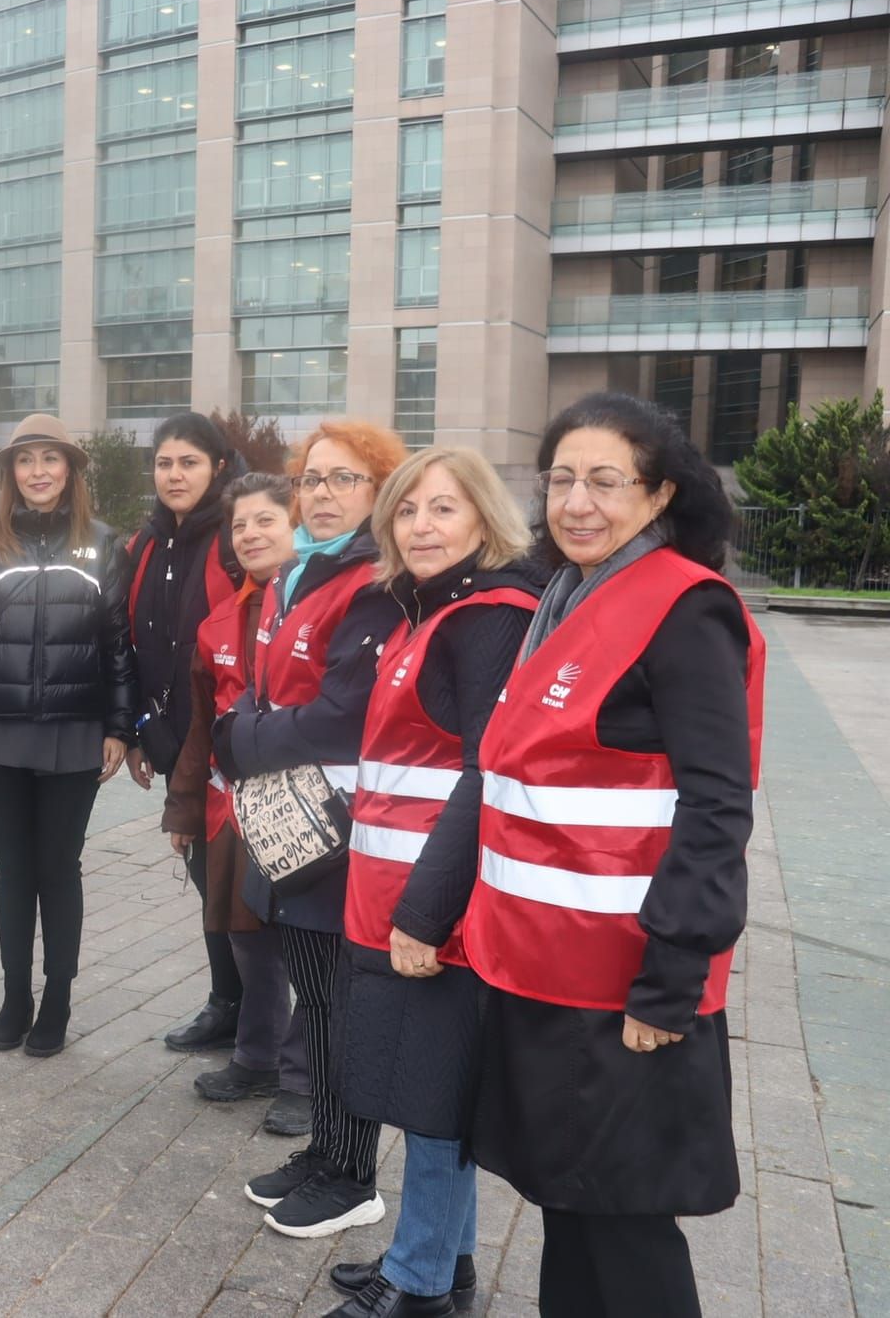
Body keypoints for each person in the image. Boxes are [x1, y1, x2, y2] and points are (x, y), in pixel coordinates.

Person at [464, 393, 763, 1318]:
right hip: (543, 968)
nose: (577, 502)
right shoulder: (562, 595)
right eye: (561, 479)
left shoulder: (682, 609)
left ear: (659, 492)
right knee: (568, 1204)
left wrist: (671, 977)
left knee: (627, 1224)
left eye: (606, 481)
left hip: (629, 982)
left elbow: (718, 805)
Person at [321, 449, 541, 1318]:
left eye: (443, 509)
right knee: (429, 1091)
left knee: (434, 1095)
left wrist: (425, 910)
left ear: (484, 521)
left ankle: (418, 1285)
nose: (420, 526)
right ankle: (439, 1262)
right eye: (407, 510)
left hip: (434, 904)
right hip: (396, 895)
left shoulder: (486, 619)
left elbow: (488, 775)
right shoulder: (430, 611)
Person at [218, 419, 408, 1239]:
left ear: (379, 492)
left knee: (340, 1006)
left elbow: (342, 717)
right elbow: (271, 693)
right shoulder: (304, 574)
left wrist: (240, 736)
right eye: (312, 480)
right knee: (316, 1001)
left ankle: (355, 1173)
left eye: (344, 480)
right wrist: (252, 726)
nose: (322, 495)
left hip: (340, 823)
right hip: (293, 821)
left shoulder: (374, 581)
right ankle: (328, 1150)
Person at [0, 415, 137, 1058]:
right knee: (13, 870)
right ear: (10, 474)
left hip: (77, 734)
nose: (39, 471)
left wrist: (119, 727)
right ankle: (15, 995)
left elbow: (118, 644)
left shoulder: (103, 544)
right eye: (26, 461)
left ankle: (58, 999)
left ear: (71, 471)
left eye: (52, 459)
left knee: (60, 868)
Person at [164, 473, 310, 1126]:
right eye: (240, 524)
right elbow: (202, 721)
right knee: (247, 939)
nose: (250, 534)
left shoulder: (326, 605)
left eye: (266, 521)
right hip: (235, 810)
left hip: (311, 808)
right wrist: (185, 804)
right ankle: (256, 1059)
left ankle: (307, 1083)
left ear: (295, 525)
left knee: (310, 950)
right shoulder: (219, 623)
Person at [125, 413, 248, 1063]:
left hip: (235, 746)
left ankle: (257, 1017)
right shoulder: (145, 544)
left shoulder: (236, 537)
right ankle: (228, 1002)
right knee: (207, 878)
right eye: (165, 463)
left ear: (219, 468)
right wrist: (140, 732)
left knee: (240, 889)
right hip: (175, 743)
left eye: (189, 463)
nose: (174, 475)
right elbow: (135, 644)